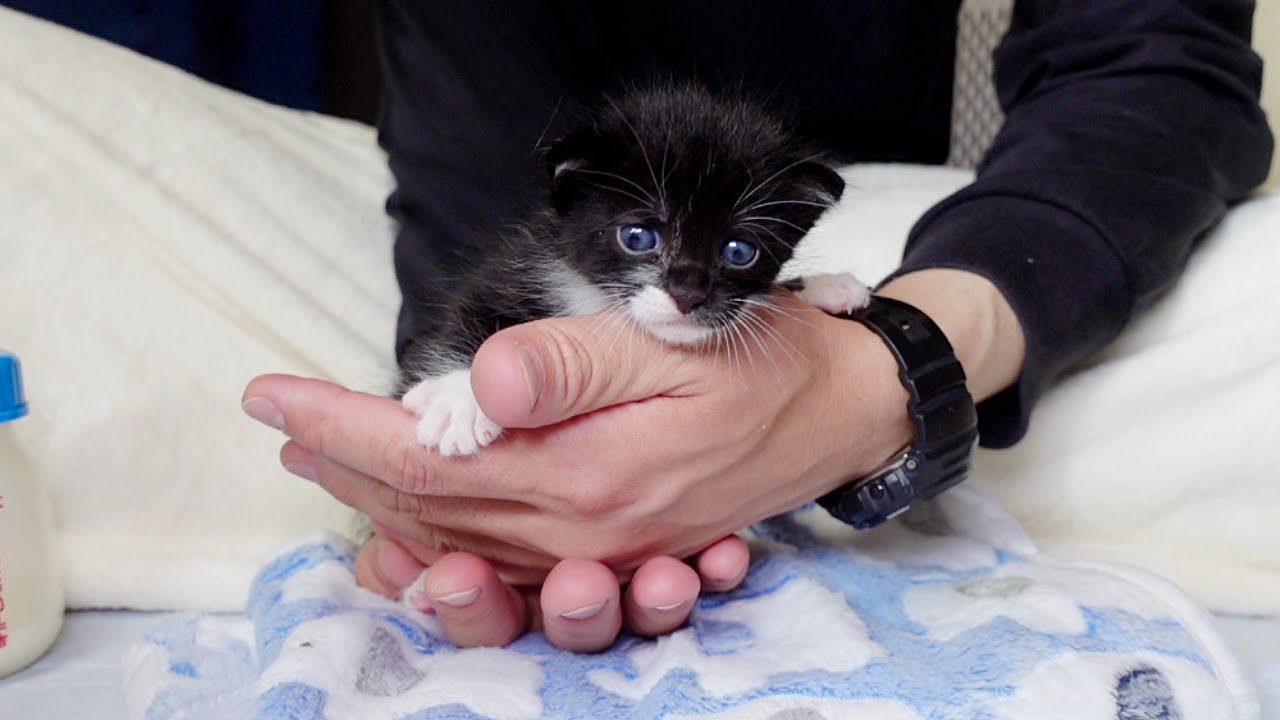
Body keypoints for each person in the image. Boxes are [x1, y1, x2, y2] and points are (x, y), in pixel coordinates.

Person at [241, 1, 1273, 651]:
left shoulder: (758, 249)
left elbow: (1157, 66)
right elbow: (473, 214)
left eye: (733, 260)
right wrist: (476, 469)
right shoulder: (561, 228)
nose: (686, 289)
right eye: (654, 247)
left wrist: (882, 371)